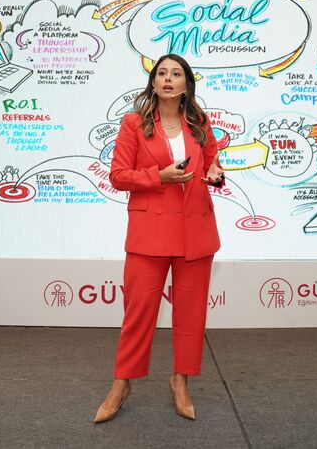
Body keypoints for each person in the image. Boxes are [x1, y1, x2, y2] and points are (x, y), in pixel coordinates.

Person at [94, 54, 224, 423]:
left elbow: (212, 162)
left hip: (195, 232)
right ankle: (122, 383)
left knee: (191, 314)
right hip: (149, 232)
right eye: (162, 73)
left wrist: (215, 173)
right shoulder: (134, 123)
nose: (168, 78)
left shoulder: (200, 122)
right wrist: (159, 176)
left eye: (176, 73)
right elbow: (118, 176)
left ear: (186, 84)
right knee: (138, 314)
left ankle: (180, 380)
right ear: (153, 82)